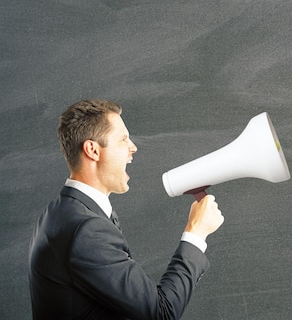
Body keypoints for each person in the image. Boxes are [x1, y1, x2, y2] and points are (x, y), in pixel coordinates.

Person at [29, 99, 224, 320]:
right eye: (123, 139)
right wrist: (196, 234)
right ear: (93, 150)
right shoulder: (87, 230)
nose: (133, 147)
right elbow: (161, 313)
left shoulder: (59, 212)